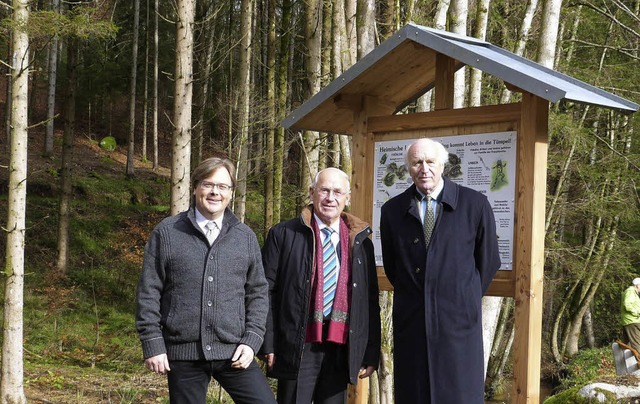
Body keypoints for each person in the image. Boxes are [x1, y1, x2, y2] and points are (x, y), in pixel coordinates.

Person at [135, 157, 275, 403]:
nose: (215, 192)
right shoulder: (168, 232)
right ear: (195, 187)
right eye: (208, 184)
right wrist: (153, 343)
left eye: (223, 187)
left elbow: (258, 294)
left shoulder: (245, 237)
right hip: (183, 353)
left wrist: (252, 340)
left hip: (234, 350)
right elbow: (149, 291)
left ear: (231, 193)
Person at [379, 138, 501, 403]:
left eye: (430, 161)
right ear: (408, 168)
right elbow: (393, 266)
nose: (424, 169)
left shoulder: (475, 205)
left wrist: (461, 298)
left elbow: (489, 261)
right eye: (417, 163)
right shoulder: (392, 211)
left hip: (458, 328)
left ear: (442, 164)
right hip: (412, 326)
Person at [260, 167, 381, 404]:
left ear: (347, 198)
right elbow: (265, 292)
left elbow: (369, 301)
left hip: (341, 345)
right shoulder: (283, 234)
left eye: (337, 192)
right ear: (311, 192)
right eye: (324, 190)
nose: (330, 198)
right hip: (298, 343)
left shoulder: (361, 243)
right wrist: (268, 343)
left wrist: (369, 352)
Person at [621, 277, 640, 354]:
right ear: (637, 285)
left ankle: (628, 364)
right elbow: (627, 305)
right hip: (632, 321)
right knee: (637, 344)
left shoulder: (633, 293)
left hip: (632, 320)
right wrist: (637, 313)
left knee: (627, 345)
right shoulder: (630, 291)